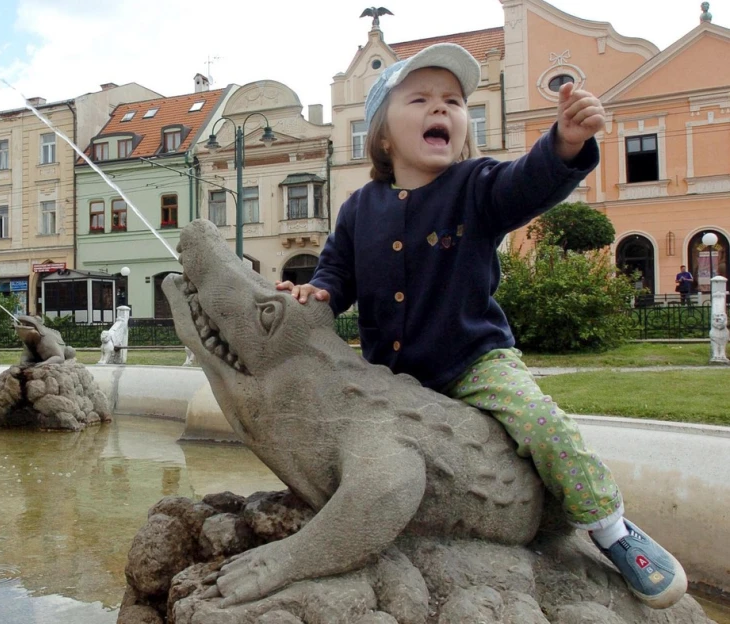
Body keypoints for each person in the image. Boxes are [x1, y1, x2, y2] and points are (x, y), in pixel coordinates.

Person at [277, 44, 686, 609]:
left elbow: (528, 181)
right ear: (382, 136)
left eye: (453, 102)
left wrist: (564, 143)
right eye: (420, 99)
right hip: (389, 377)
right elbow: (335, 275)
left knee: (542, 424)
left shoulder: (476, 185)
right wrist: (314, 292)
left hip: (473, 361)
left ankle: (611, 527)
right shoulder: (358, 208)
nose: (441, 108)